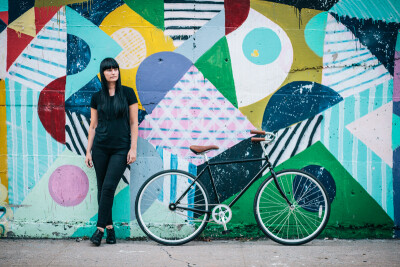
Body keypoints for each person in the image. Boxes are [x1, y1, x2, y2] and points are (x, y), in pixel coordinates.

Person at [85, 57, 138, 246]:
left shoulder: (128, 93)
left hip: (120, 149)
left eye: (115, 68)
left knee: (108, 187)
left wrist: (133, 148)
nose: (113, 72)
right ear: (103, 73)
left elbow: (133, 122)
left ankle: (99, 230)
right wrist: (88, 151)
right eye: (108, 69)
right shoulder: (97, 97)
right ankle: (110, 228)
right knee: (102, 189)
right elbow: (93, 125)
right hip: (100, 148)